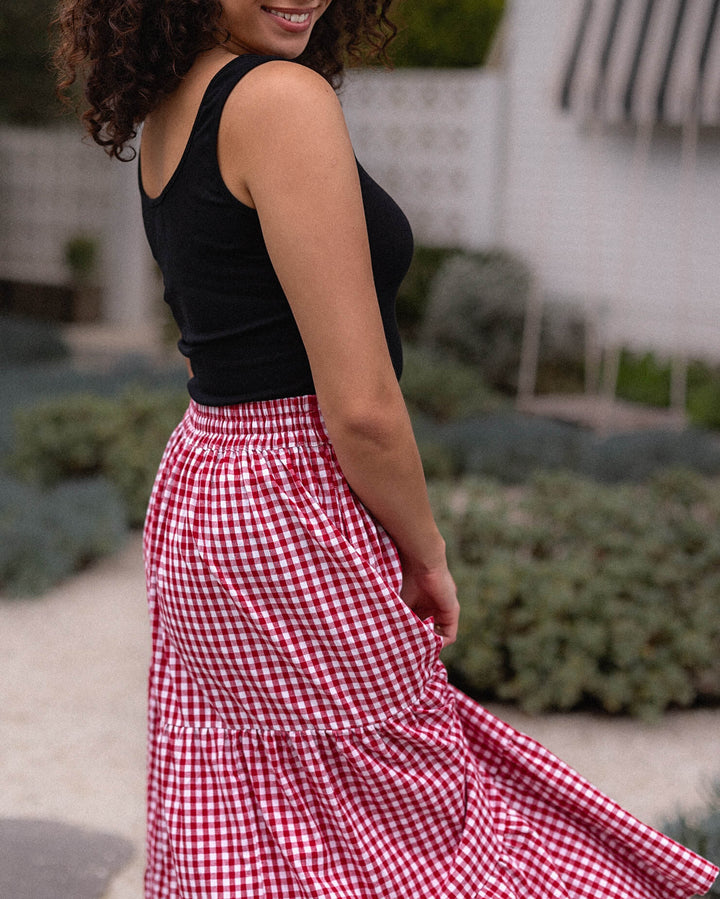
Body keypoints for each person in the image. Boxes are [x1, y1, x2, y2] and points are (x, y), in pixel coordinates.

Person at [54, 2, 718, 897]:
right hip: (288, 498)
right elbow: (361, 406)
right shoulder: (280, 99)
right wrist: (427, 550)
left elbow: (215, 331)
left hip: (206, 483)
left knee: (268, 818)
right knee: (422, 822)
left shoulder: (177, 102)